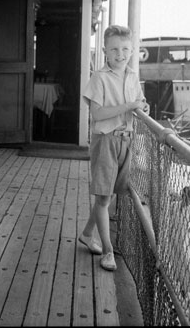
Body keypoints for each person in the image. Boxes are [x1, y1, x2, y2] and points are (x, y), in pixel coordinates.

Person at [79, 25, 149, 271]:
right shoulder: (99, 78)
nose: (121, 54)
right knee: (104, 196)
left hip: (125, 139)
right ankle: (108, 251)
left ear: (132, 50)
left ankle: (88, 234)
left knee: (106, 194)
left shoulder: (132, 75)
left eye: (126, 49)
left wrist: (142, 107)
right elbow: (97, 114)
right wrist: (129, 105)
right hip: (106, 140)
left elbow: (138, 103)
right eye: (115, 49)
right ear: (105, 51)